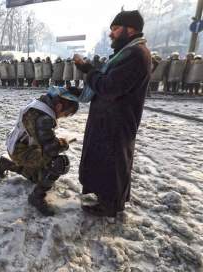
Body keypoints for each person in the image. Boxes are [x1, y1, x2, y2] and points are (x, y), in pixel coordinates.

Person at [73, 10, 151, 217]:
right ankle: (107, 198)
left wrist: (89, 71)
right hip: (109, 119)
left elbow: (109, 87)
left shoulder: (136, 54)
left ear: (131, 29)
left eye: (116, 29)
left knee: (112, 162)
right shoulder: (127, 52)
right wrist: (89, 70)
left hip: (116, 122)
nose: (112, 34)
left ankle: (110, 204)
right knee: (105, 160)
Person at [0, 87, 79, 216]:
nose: (64, 116)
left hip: (21, 145)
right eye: (66, 114)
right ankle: (37, 197)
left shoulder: (41, 104)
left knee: (39, 178)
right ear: (58, 106)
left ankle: (7, 163)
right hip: (21, 150)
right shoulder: (43, 118)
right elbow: (50, 149)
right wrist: (64, 143)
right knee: (59, 163)